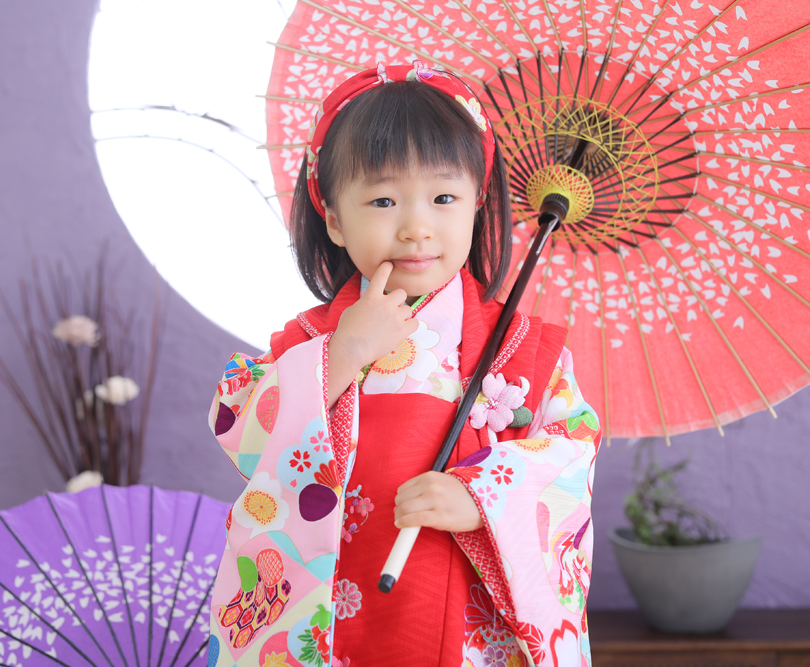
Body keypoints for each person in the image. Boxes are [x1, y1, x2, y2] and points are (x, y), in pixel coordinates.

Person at [205, 61, 599, 667]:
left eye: (444, 198)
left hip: (464, 623)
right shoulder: (309, 342)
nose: (417, 227)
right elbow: (238, 426)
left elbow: (571, 453)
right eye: (384, 199)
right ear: (335, 220)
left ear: (476, 205)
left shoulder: (523, 351)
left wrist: (483, 496)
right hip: (329, 614)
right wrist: (341, 355)